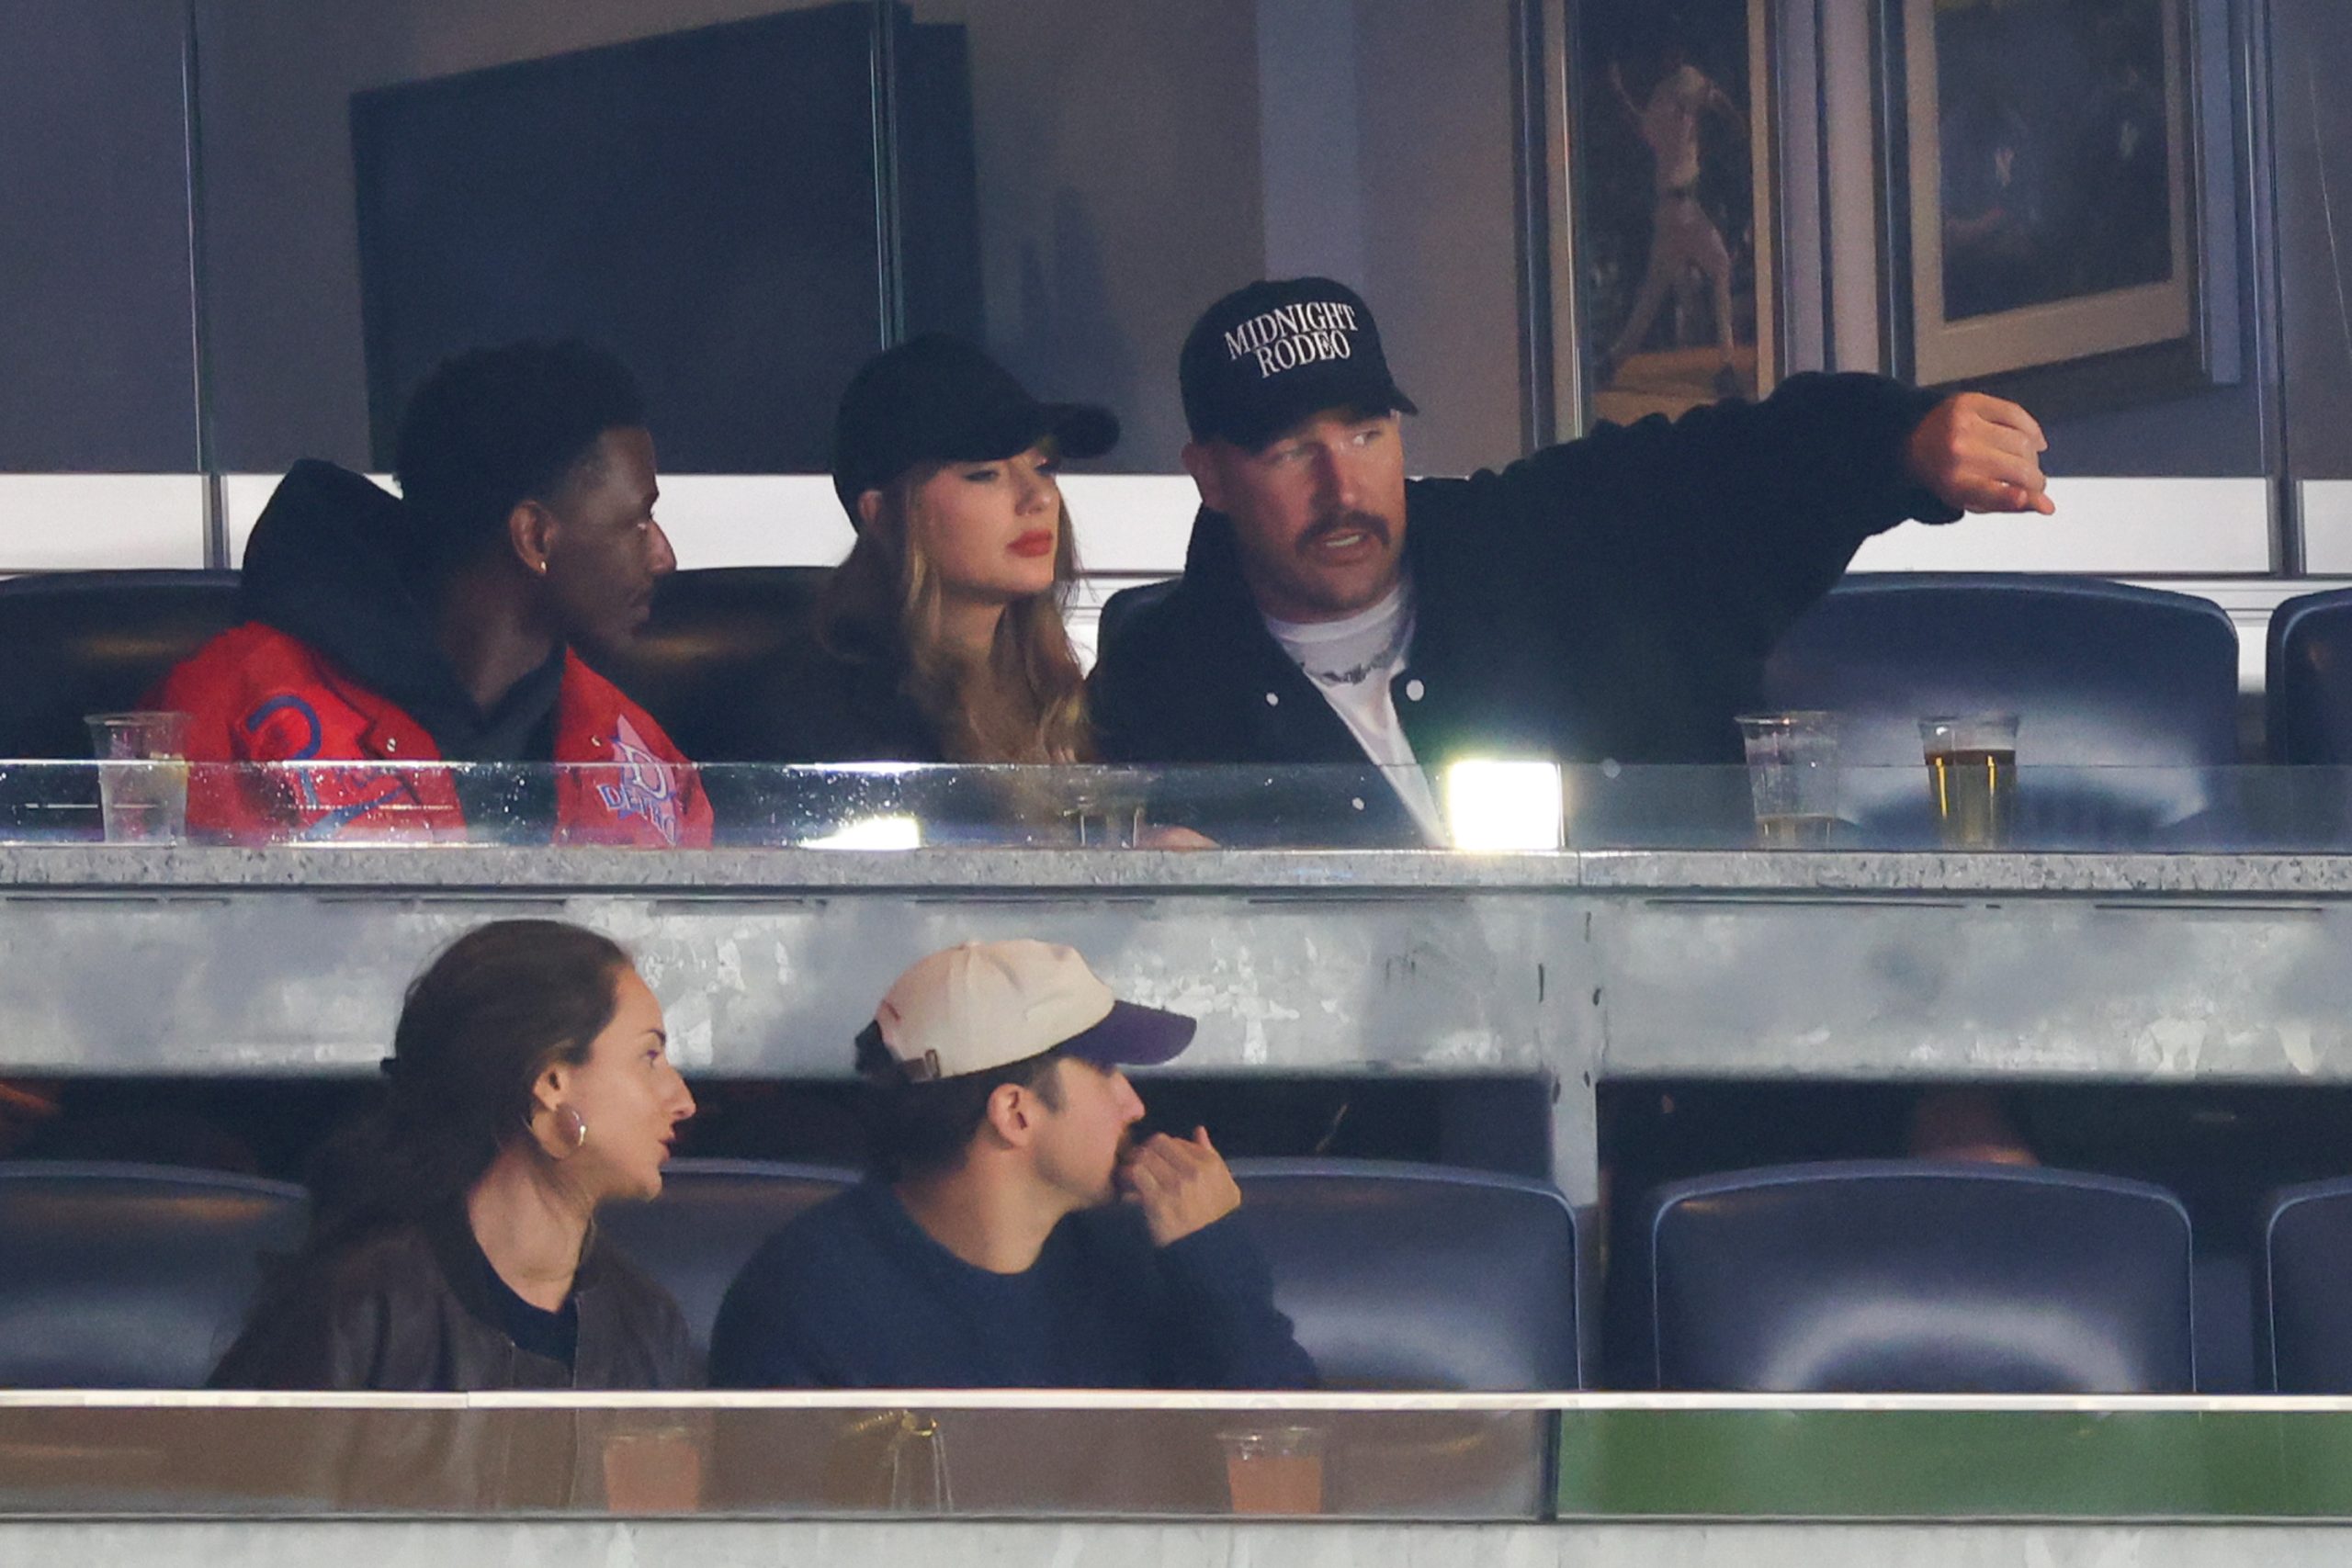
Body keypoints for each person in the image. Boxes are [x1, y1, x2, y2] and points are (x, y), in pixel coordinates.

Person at [1090, 276, 2056, 845]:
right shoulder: (1162, 681)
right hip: (1378, 1126)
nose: (1342, 490)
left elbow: (1745, 464)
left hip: (1664, 1067)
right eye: (1290, 451)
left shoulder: (1532, 541)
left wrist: (1907, 446)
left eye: (1366, 434)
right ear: (1210, 476)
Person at [152, 340, 712, 846]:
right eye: (639, 521)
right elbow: (162, 943)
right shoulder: (234, 705)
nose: (664, 557)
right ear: (535, 537)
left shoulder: (638, 752)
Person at [707, 939, 1317, 1390]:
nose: (1133, 1103)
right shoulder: (802, 1301)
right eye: (1104, 1069)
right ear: (1016, 1113)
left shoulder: (1148, 1256)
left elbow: (1299, 1472)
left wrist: (1216, 1262)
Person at [211, 919, 699, 1390]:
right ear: (551, 1083)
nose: (683, 1101)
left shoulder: (648, 1327)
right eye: (649, 1058)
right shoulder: (357, 1313)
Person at [719, 334, 1117, 766]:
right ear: (883, 515)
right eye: (984, 475)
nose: (1037, 497)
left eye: (1044, 468)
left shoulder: (1062, 689)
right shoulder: (817, 715)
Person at [1598, 39, 1748, 400]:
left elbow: (1642, 129)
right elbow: (1717, 101)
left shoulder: (1658, 95)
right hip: (1683, 208)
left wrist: (1620, 93)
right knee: (1721, 269)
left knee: (1652, 294)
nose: (1672, 55)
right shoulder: (1685, 80)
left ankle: (1611, 361)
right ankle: (1726, 367)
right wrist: (1741, 125)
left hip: (1669, 210)